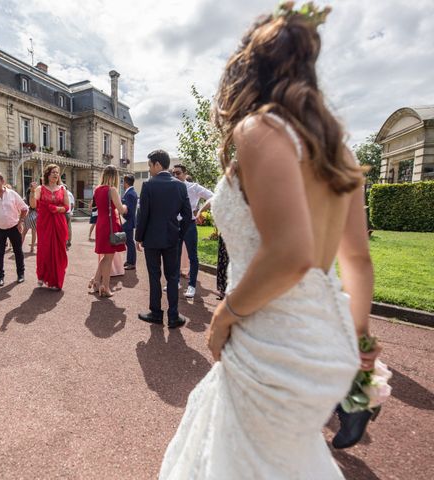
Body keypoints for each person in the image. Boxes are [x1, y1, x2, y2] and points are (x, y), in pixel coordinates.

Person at [159, 4, 381, 478]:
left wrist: (224, 315)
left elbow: (290, 254)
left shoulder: (260, 129)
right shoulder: (337, 149)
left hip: (272, 343)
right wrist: (359, 344)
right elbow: (358, 261)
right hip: (325, 343)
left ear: (246, 67)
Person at [135, 150, 192, 328]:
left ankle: (156, 313)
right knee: (173, 277)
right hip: (172, 238)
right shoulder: (181, 186)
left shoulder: (148, 185)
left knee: (154, 276)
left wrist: (139, 237)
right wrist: (179, 235)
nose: (150, 169)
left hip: (152, 239)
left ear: (158, 164)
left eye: (150, 165)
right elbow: (187, 214)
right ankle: (173, 316)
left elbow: (143, 215)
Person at [172, 164, 213, 298]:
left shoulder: (194, 187)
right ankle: (176, 282)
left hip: (189, 224)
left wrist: (200, 211)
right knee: (175, 255)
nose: (176, 176)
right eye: (174, 173)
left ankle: (192, 285)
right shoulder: (172, 186)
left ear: (185, 173)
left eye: (178, 173)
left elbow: (213, 196)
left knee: (192, 256)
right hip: (175, 224)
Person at [90, 165, 128, 297]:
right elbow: (121, 210)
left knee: (105, 256)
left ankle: (96, 282)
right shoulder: (112, 190)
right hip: (110, 225)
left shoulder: (97, 189)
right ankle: (105, 287)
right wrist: (125, 206)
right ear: (114, 176)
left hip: (101, 223)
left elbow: (95, 206)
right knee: (109, 257)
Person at [34, 164, 69, 289]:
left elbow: (67, 207)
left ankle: (56, 280)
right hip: (44, 223)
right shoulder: (40, 188)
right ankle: (42, 276)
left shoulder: (62, 189)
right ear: (47, 174)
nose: (55, 174)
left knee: (59, 251)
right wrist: (33, 191)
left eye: (57, 172)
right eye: (53, 172)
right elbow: (34, 205)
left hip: (59, 223)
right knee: (44, 250)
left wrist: (56, 209)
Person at [196, 200, 229, 300]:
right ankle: (224, 291)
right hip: (227, 233)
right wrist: (199, 212)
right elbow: (212, 200)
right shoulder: (227, 191)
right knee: (224, 262)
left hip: (240, 235)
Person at [121, 174, 138, 270]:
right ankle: (129, 260)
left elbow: (129, 210)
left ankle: (132, 262)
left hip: (127, 222)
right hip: (128, 222)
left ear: (126, 182)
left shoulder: (130, 194)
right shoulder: (130, 192)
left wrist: (121, 214)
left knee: (130, 242)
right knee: (128, 242)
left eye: (123, 182)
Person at [22, 181, 38, 253]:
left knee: (24, 231)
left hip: (28, 213)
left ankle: (19, 246)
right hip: (34, 213)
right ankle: (32, 248)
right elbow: (34, 205)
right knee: (34, 232)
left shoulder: (27, 194)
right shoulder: (34, 193)